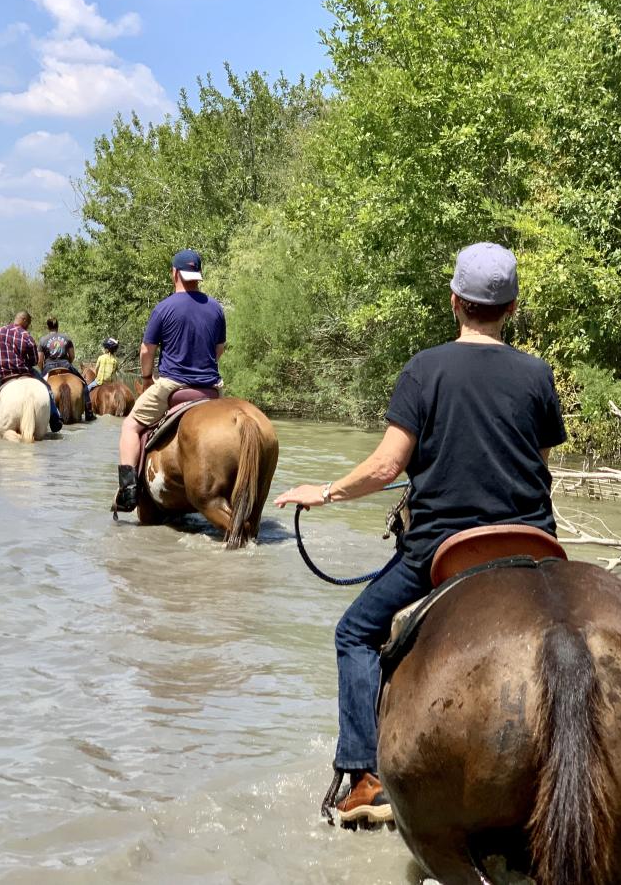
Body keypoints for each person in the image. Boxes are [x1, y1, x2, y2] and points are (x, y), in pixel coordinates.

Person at [273, 242, 566, 829]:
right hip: (532, 545)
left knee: (353, 633)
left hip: (446, 549)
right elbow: (537, 464)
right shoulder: (536, 373)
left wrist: (325, 491)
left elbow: (387, 468)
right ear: (510, 307)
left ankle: (365, 775)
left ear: (455, 302)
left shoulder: (425, 368)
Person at [114, 249, 225, 512]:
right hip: (210, 390)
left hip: (173, 385)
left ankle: (129, 490)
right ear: (198, 275)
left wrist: (146, 378)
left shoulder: (164, 308)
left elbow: (146, 351)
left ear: (174, 273)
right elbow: (219, 350)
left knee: (130, 426)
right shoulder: (216, 308)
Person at [0, 311, 63, 434]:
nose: (28, 326)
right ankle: (55, 419)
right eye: (28, 323)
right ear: (24, 320)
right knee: (47, 388)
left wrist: (0, 361)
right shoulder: (27, 336)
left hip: (4, 374)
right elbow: (34, 361)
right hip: (25, 372)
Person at [38, 317, 96, 421]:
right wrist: (67, 363)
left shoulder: (43, 340)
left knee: (38, 388)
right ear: (57, 326)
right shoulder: (66, 338)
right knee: (84, 384)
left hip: (49, 366)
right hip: (65, 365)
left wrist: (43, 369)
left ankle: (40, 415)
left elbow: (39, 360)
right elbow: (72, 356)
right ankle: (89, 412)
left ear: (48, 327)